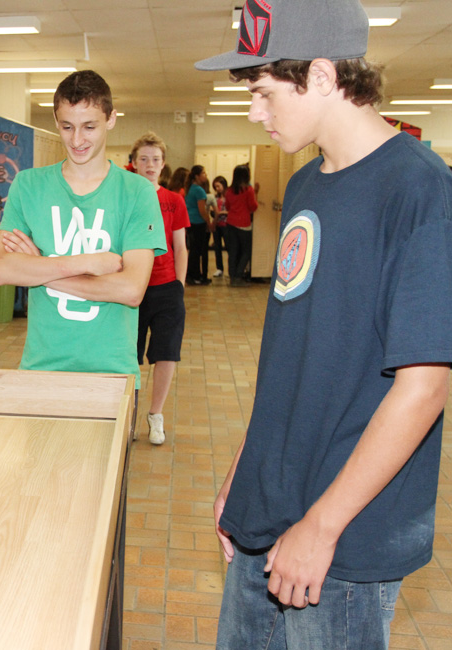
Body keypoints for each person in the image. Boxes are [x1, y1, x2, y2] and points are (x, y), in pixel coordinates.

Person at [196, 1, 452, 647]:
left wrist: (320, 526)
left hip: (340, 536)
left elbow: (423, 385)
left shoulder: (419, 191)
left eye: (262, 92)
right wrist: (241, 471)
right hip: (267, 508)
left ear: (317, 75)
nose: (254, 111)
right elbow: (296, 355)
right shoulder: (308, 185)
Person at [0, 69, 164, 381]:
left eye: (89, 126)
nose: (77, 139)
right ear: (56, 122)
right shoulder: (28, 185)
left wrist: (39, 270)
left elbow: (131, 289)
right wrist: (89, 263)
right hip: (41, 369)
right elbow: (1, 270)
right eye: (67, 127)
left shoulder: (137, 192)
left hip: (112, 374)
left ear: (111, 119)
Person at [131, 132, 189, 446]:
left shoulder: (173, 201)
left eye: (155, 159)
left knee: (166, 353)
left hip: (167, 288)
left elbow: (180, 247)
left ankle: (156, 415)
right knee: (131, 356)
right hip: (133, 288)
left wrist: (179, 286)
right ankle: (129, 417)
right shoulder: (125, 197)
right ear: (134, 163)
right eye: (144, 159)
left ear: (163, 164)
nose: (150, 164)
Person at [224, 164, 257, 286]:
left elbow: (227, 206)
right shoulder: (248, 190)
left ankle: (233, 277)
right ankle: (238, 275)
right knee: (246, 251)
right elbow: (253, 206)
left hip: (230, 222)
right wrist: (256, 194)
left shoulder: (229, 190)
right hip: (244, 224)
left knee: (233, 251)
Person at [184, 165, 213, 285]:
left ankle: (192, 275)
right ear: (197, 176)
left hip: (190, 221)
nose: (205, 175)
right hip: (198, 222)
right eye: (203, 173)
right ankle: (196, 275)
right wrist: (208, 222)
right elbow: (202, 210)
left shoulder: (191, 188)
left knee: (194, 250)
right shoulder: (199, 190)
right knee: (197, 250)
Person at [211, 176, 229, 277]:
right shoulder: (215, 197)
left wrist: (222, 212)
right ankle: (219, 268)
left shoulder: (228, 197)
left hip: (226, 224)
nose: (217, 188)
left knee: (229, 246)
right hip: (217, 224)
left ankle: (231, 268)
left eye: (218, 186)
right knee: (217, 247)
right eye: (215, 187)